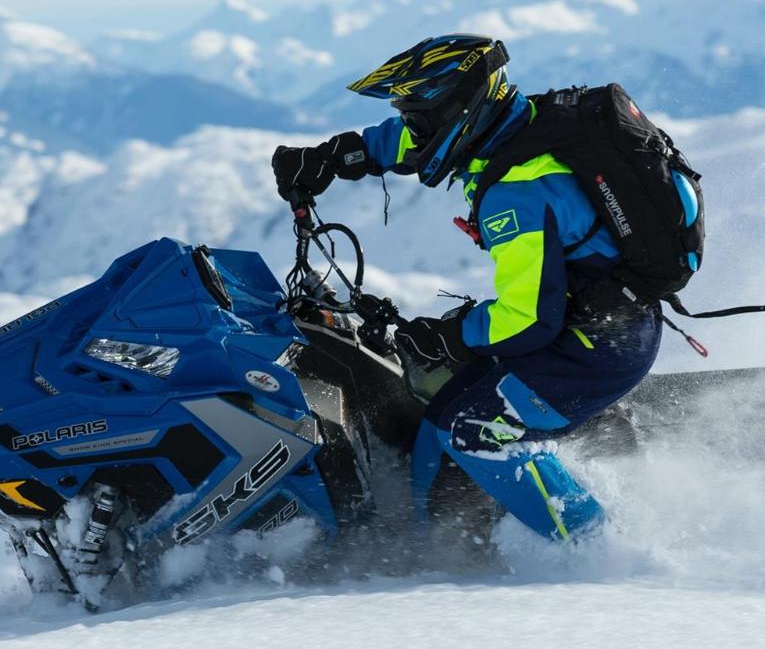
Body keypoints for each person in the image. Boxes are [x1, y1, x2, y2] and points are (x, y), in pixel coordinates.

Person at [271, 34, 662, 544]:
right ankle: (443, 550)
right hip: (588, 320)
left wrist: (451, 336)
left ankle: (593, 549)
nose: (413, 131)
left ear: (457, 110)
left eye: (418, 119)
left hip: (597, 345)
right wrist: (334, 157)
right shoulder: (515, 129)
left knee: (474, 429)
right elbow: (414, 141)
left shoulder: (517, 193)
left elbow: (527, 320)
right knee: (441, 416)